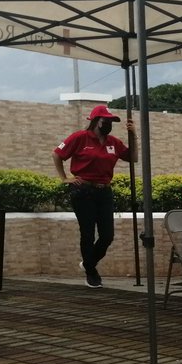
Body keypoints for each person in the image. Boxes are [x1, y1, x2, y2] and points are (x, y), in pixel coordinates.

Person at [53, 104, 136, 288]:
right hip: (83, 191)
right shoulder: (80, 137)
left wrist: (133, 135)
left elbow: (133, 157)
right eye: (106, 121)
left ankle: (88, 264)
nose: (109, 124)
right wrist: (65, 178)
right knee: (88, 233)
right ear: (96, 121)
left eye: (111, 122)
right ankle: (91, 272)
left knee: (107, 235)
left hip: (104, 191)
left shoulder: (113, 142)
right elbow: (57, 154)